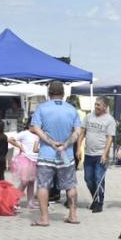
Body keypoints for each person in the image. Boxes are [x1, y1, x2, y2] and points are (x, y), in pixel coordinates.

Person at [29, 80, 82, 226]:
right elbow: (77, 132)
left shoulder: (41, 108)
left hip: (46, 154)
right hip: (66, 154)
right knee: (70, 185)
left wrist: (51, 142)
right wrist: (66, 144)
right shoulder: (71, 109)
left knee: (43, 186)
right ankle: (73, 215)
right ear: (63, 94)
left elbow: (36, 128)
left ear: (49, 93)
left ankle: (44, 218)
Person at [82, 98, 116, 213]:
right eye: (95, 104)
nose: (96, 106)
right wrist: (78, 148)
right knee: (88, 179)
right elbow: (82, 132)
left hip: (100, 154)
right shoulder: (88, 117)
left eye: (98, 105)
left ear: (105, 107)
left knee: (98, 179)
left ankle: (99, 203)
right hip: (88, 154)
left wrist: (105, 154)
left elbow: (110, 138)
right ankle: (95, 199)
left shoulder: (109, 120)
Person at [8, 121, 40, 208]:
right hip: (26, 159)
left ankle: (30, 202)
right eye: (33, 125)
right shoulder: (25, 133)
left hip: (35, 160)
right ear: (29, 125)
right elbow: (10, 139)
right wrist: (19, 146)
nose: (35, 127)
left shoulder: (39, 134)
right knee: (24, 181)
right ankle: (14, 200)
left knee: (31, 182)